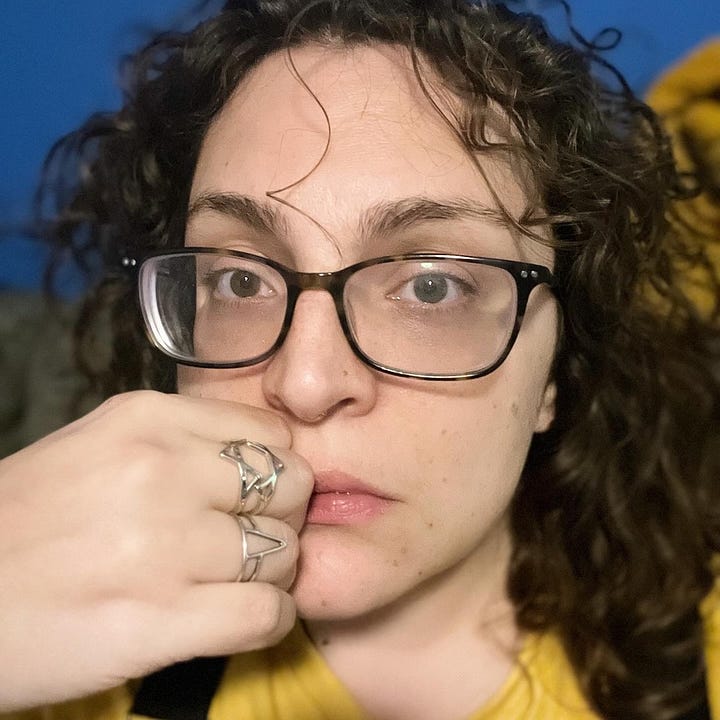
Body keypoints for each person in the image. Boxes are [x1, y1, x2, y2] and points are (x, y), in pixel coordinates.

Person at [0, 1, 718, 718]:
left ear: (552, 374)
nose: (306, 384)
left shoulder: (700, 658)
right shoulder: (58, 653)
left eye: (432, 287)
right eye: (239, 280)